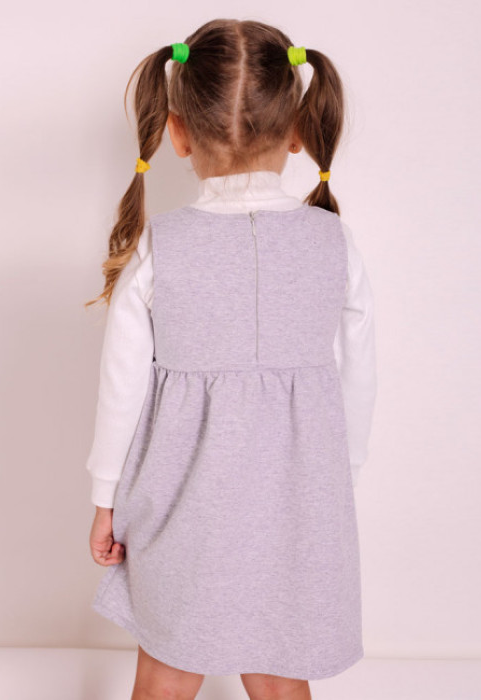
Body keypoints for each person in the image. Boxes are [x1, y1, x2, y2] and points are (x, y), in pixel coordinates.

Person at [84, 18, 377, 700]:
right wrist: (340, 478)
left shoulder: (162, 245)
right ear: (299, 128)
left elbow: (121, 385)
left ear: (177, 132)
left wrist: (105, 499)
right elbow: (359, 374)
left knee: (165, 670)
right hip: (299, 498)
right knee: (280, 670)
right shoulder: (335, 242)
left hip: (182, 503)